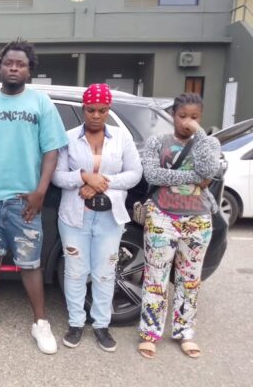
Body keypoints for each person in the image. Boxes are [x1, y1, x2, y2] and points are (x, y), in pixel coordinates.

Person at [0, 39, 68, 354]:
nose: (14, 68)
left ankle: (41, 323)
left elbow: (51, 151)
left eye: (21, 64)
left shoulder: (41, 104)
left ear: (29, 70)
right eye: (9, 63)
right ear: (0, 66)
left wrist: (40, 192)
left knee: (31, 263)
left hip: (25, 201)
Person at [52, 84, 142, 352]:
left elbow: (134, 173)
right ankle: (76, 323)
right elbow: (57, 176)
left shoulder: (122, 138)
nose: (96, 115)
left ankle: (102, 325)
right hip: (73, 218)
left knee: (105, 272)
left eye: (102, 110)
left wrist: (101, 182)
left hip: (109, 218)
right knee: (75, 272)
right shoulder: (68, 138)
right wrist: (83, 176)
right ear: (83, 108)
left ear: (108, 110)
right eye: (91, 110)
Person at [137, 93, 221, 359]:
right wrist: (194, 177)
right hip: (162, 216)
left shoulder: (209, 143)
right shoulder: (157, 142)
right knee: (155, 277)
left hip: (198, 220)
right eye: (183, 116)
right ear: (173, 114)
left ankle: (185, 332)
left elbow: (210, 171)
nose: (188, 122)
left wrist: (201, 135)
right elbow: (152, 174)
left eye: (194, 117)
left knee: (190, 280)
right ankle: (150, 333)